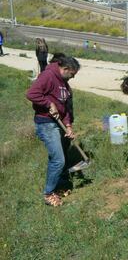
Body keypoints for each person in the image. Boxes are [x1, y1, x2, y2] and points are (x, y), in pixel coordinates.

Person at [26, 56, 80, 207]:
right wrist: (48, 103)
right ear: (65, 69)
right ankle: (48, 194)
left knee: (58, 157)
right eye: (72, 74)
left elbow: (65, 108)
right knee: (58, 160)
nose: (73, 77)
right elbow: (31, 94)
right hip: (46, 123)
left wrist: (68, 126)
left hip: (59, 124)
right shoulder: (48, 75)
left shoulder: (64, 83)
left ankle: (58, 186)